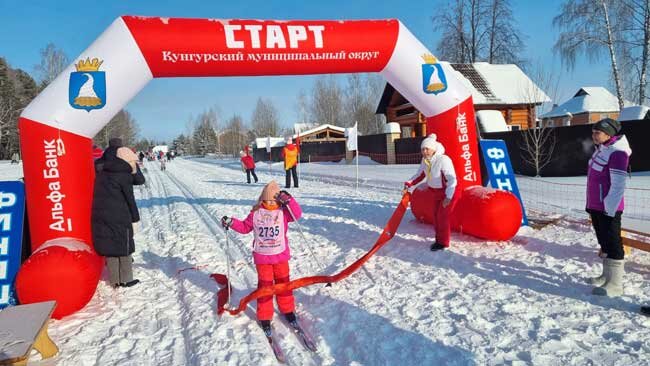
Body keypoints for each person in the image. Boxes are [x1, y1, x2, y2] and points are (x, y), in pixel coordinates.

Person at [221, 181, 302, 336]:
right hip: (263, 259)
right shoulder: (256, 213)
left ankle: (288, 310)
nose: (271, 203)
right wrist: (231, 222)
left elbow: (297, 214)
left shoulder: (284, 212)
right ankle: (264, 315)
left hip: (280, 257)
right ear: (262, 200)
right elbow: (245, 228)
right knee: (265, 288)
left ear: (279, 200)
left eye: (274, 200)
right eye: (267, 200)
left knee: (284, 285)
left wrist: (289, 200)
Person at [586, 118, 632, 297]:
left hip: (609, 208)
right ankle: (606, 276)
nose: (593, 136)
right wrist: (591, 205)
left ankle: (615, 284)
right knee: (604, 242)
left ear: (609, 134)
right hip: (596, 205)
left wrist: (609, 208)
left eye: (597, 132)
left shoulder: (617, 153)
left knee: (613, 243)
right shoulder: (602, 149)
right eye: (593, 132)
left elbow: (618, 185)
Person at [92, 138, 145, 288]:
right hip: (120, 213)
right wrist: (135, 219)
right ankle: (127, 279)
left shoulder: (99, 166)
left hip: (100, 211)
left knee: (110, 246)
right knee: (125, 245)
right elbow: (130, 198)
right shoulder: (123, 172)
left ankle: (114, 280)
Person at [403, 133, 457, 251]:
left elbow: (452, 178)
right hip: (434, 193)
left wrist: (448, 197)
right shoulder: (425, 160)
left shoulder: (443, 159)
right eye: (423, 149)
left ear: (433, 149)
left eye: (427, 148)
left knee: (442, 218)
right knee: (436, 217)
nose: (424, 151)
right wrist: (409, 183)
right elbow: (420, 174)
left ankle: (443, 243)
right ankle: (438, 239)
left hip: (447, 192)